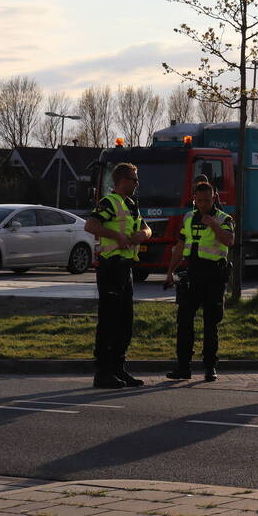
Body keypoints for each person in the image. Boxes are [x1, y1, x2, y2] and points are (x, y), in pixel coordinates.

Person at [86, 162, 152, 389]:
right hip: (111, 267)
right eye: (134, 179)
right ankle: (103, 372)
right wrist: (116, 236)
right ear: (122, 180)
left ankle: (118, 369)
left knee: (125, 322)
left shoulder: (132, 204)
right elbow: (91, 225)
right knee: (109, 321)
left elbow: (147, 228)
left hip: (126, 268)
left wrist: (142, 234)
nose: (137, 183)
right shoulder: (109, 202)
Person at [164, 182, 234, 382]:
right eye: (200, 200)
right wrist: (170, 271)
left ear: (214, 198)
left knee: (211, 324)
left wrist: (213, 224)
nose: (203, 204)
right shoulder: (188, 217)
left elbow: (229, 241)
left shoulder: (224, 218)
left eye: (207, 200)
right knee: (184, 322)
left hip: (213, 276)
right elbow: (181, 244)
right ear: (194, 199)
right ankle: (183, 367)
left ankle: (210, 367)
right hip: (192, 274)